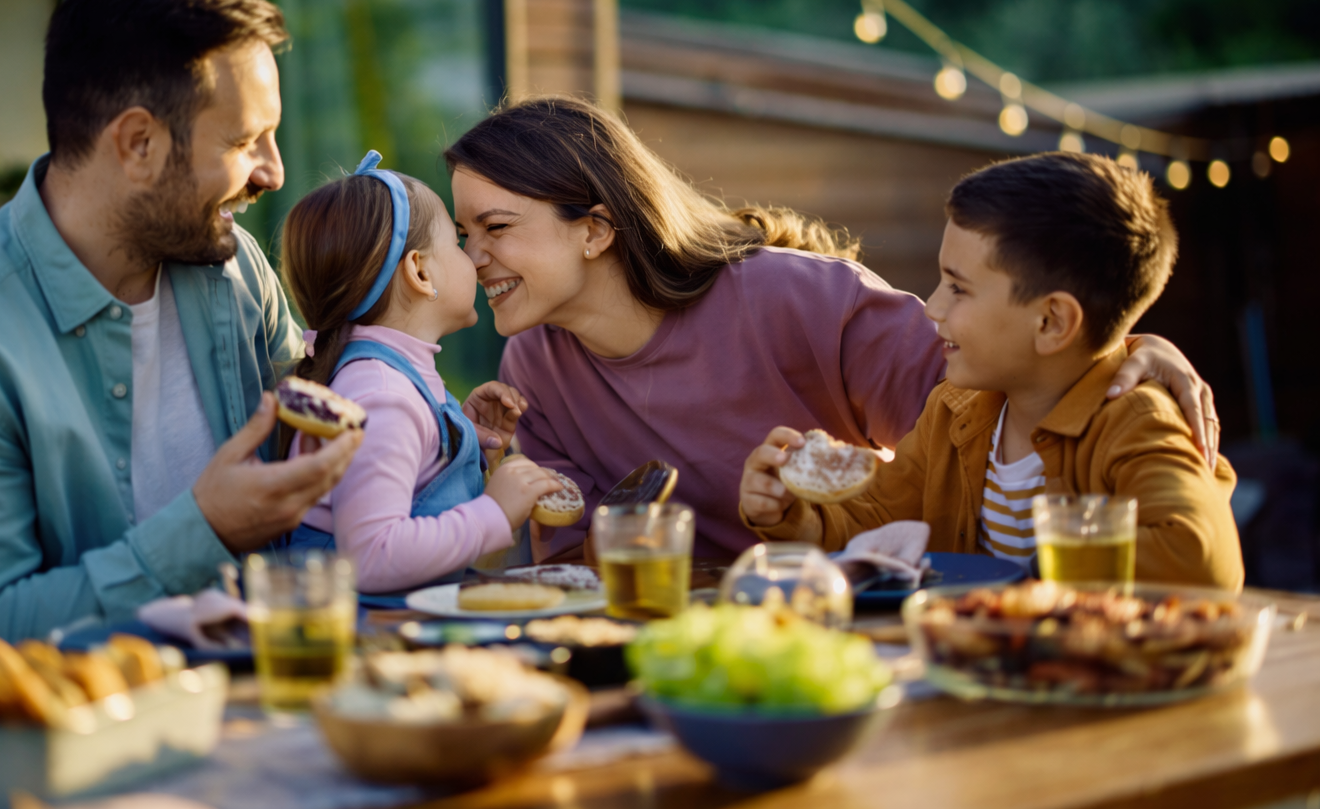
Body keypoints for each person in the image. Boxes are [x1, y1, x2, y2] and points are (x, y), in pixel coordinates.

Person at [445, 97, 1223, 562]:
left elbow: (1000, 384)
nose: (470, 256)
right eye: (462, 232)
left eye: (496, 227)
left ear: (595, 229)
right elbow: (579, 560)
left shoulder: (799, 300)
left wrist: (1128, 352)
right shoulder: (533, 370)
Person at [0, 0, 361, 650]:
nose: (273, 172)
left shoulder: (236, 268)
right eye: (245, 143)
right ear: (138, 144)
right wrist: (204, 532)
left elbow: (311, 449)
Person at [739, 153, 1242, 588]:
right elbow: (876, 520)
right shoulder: (954, 411)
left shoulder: (1135, 418)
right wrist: (796, 517)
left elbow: (1200, 557)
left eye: (958, 288)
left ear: (1051, 322)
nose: (932, 307)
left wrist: (1023, 581)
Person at [276, 153, 565, 592]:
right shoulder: (382, 394)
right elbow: (372, 556)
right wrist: (494, 511)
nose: (474, 256)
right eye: (456, 241)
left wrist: (460, 448)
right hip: (367, 638)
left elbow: (411, 504)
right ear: (420, 271)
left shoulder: (388, 380)